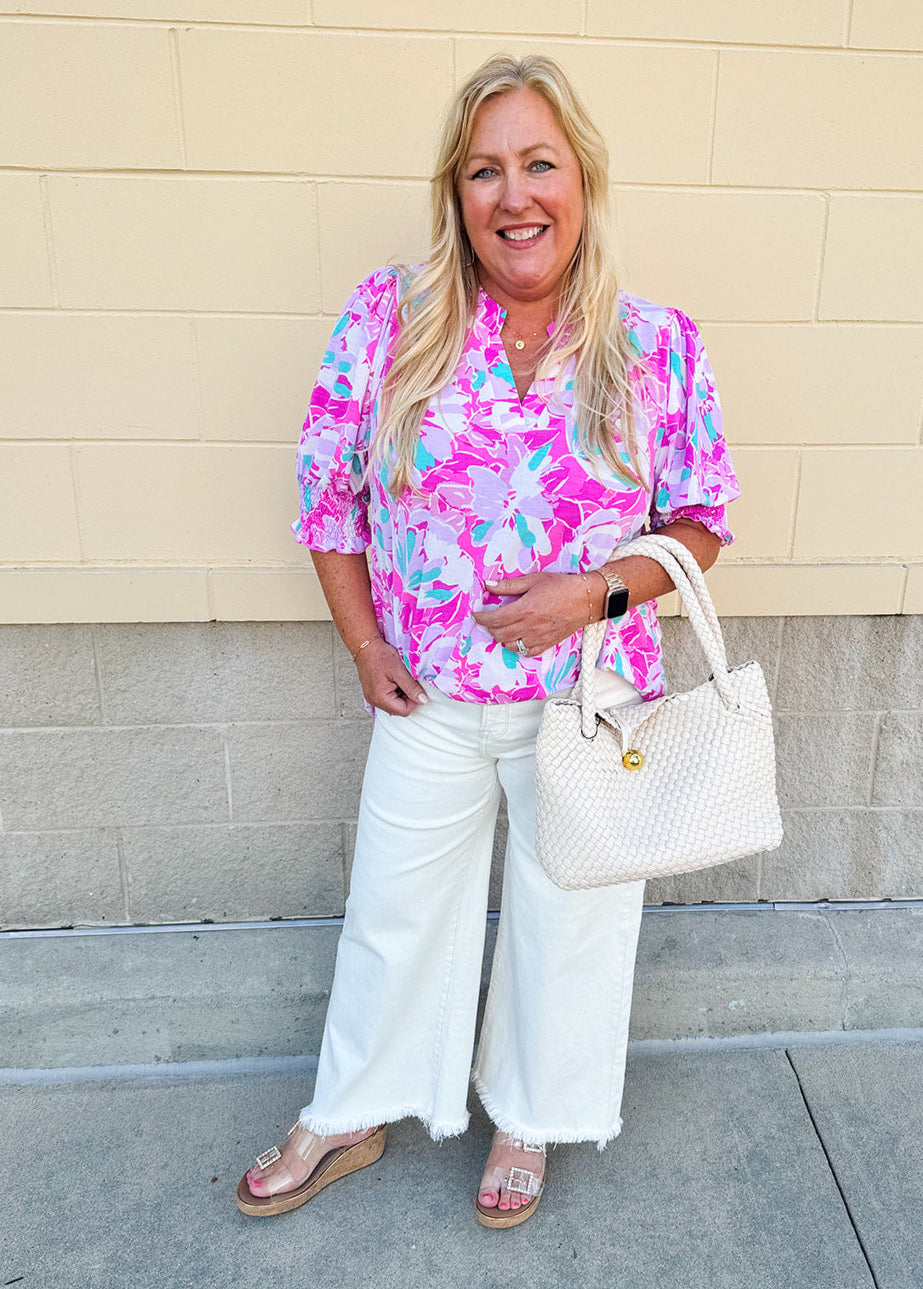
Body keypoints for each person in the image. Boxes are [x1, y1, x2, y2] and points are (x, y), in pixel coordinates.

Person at [235, 52, 740, 1229]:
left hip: (591, 701)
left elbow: (700, 521)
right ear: (455, 193)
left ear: (582, 180)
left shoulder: (654, 343)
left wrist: (589, 595)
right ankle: (350, 1108)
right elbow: (327, 496)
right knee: (391, 910)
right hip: (433, 695)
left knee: (571, 923)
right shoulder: (392, 318)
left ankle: (529, 1112)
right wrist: (364, 644)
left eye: (538, 164)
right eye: (484, 170)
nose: (515, 195)